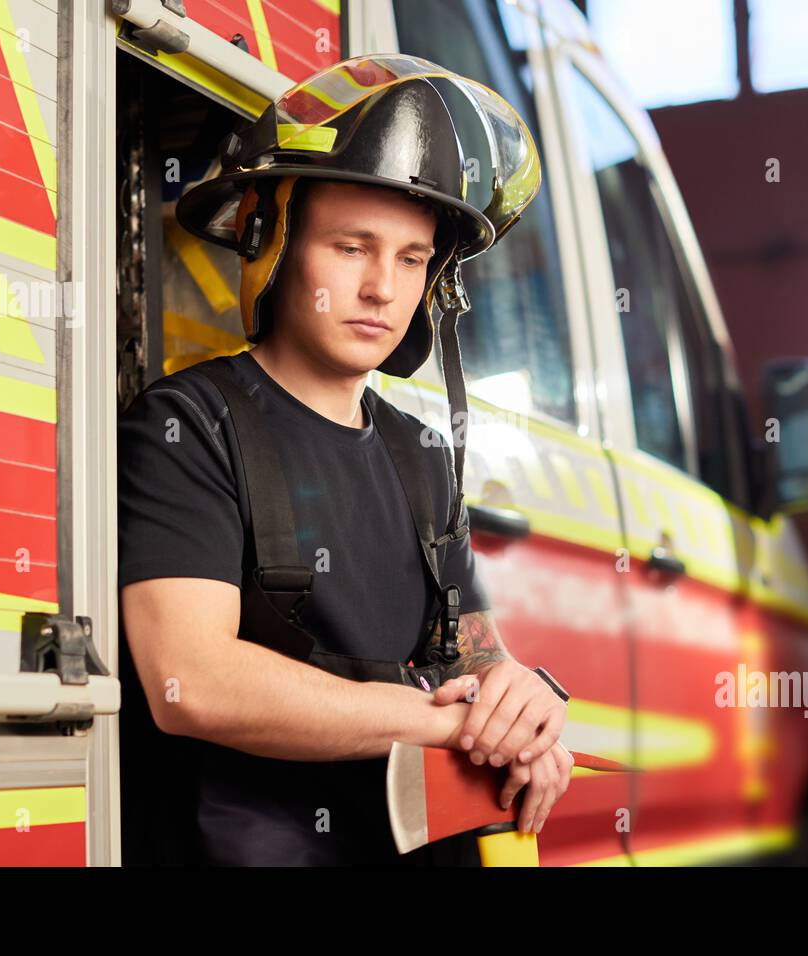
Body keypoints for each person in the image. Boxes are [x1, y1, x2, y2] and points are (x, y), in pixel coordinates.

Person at [117, 56, 573, 866]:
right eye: (351, 247)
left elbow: (478, 656)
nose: (382, 289)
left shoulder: (423, 456)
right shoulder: (187, 427)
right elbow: (190, 682)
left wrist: (526, 710)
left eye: (410, 258)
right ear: (274, 245)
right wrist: (443, 724)